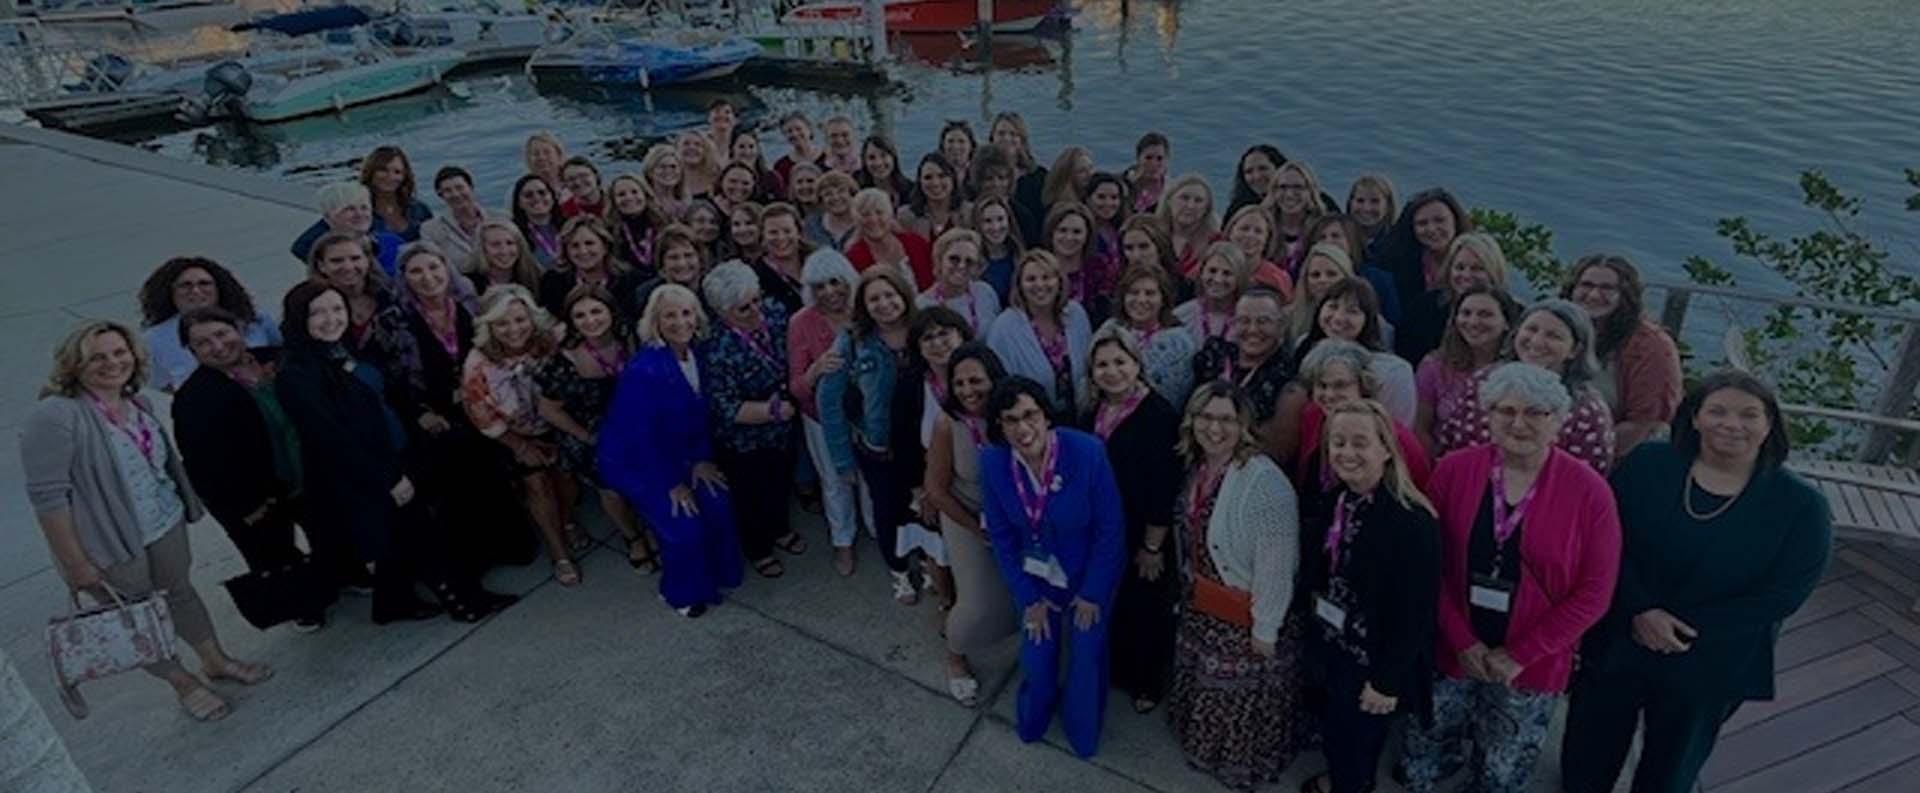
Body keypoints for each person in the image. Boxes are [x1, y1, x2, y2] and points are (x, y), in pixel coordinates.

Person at [1560, 371, 1831, 793]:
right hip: (1619, 636)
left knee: (1669, 773)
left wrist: (1680, 629)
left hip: (1710, 657)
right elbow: (1604, 541)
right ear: (1695, 418)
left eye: (1748, 414)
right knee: (1586, 758)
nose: (1731, 423)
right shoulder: (1649, 464)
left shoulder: (1802, 505)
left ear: (1769, 425)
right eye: (1717, 411)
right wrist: (1641, 611)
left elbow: (1784, 594)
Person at [22, 321, 274, 722]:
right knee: (134, 615)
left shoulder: (137, 403)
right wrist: (75, 563)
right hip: (107, 541)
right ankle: (183, 683)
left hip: (162, 520)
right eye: (98, 357)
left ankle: (215, 661)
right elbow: (48, 498)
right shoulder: (56, 416)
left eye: (120, 353)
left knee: (180, 592)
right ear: (75, 363)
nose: (112, 363)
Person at [1399, 362, 1622, 793]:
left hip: (1534, 660)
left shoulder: (1591, 491)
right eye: (1504, 410)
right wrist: (1462, 640)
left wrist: (1521, 654)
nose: (1517, 422)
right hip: (1453, 646)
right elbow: (1426, 566)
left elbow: (1595, 593)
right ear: (1488, 416)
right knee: (1426, 748)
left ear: (1558, 420)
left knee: (1501, 770)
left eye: (1535, 413)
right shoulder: (1453, 470)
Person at [274, 282, 457, 625]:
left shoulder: (343, 351)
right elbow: (333, 438)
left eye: (337, 309)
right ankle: (399, 605)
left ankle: (399, 601)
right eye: (318, 313)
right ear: (300, 318)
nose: (331, 319)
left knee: (402, 531)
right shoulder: (297, 374)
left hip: (391, 451)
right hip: (361, 472)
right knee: (384, 537)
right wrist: (388, 477)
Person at [1163, 381, 1306, 788]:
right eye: (1206, 417)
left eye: (1227, 419)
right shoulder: (1200, 464)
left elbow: (1278, 565)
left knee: (1238, 697)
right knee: (1208, 686)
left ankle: (1239, 765)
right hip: (1204, 603)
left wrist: (1266, 626)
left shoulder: (1264, 483)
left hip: (1245, 613)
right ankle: (1202, 746)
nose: (1214, 428)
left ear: (1244, 426)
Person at [1297, 400, 1442, 793]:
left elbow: (1416, 615)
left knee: (1352, 742)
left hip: (1372, 660)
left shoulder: (1412, 520)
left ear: (1385, 449)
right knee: (1342, 735)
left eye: (1360, 443)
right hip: (1334, 645)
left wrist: (1386, 682)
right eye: (1337, 443)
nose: (1346, 453)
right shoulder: (1338, 499)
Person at [979, 376, 1126, 758]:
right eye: (1010, 419)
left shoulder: (1088, 452)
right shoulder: (993, 463)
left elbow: (1110, 531)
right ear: (999, 426)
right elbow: (1002, 537)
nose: (1023, 428)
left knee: (1086, 653)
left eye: (1030, 415)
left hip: (1088, 576)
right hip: (1035, 581)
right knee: (1038, 655)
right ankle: (1035, 718)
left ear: (1046, 416)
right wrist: (1028, 598)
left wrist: (1092, 593)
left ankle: (1082, 732)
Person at [383, 243, 538, 577]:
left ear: (446, 269)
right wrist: (420, 412)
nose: (428, 278)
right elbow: (395, 378)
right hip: (435, 414)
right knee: (457, 483)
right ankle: (475, 553)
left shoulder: (470, 304)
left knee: (493, 474)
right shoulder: (396, 319)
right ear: (405, 279)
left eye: (434, 267)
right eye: (417, 272)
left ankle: (510, 544)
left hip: (482, 401)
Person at [171, 308, 329, 632]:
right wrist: (245, 508)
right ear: (192, 352)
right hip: (257, 495)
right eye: (202, 343)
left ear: (239, 330)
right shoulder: (194, 398)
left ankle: (338, 577)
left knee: (326, 531)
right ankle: (304, 606)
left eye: (221, 334)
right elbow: (202, 465)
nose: (217, 346)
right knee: (276, 554)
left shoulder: (277, 359)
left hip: (308, 470)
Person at [599, 284, 745, 618]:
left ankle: (719, 574)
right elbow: (639, 437)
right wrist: (672, 483)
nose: (680, 322)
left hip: (686, 453)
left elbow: (701, 418)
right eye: (670, 315)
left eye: (686, 313)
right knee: (684, 522)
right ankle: (680, 593)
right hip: (641, 463)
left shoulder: (698, 354)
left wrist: (701, 460)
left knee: (718, 502)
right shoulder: (643, 370)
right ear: (655, 321)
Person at [1078, 327, 1181, 715]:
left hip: (1143, 531)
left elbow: (1164, 486)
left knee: (1145, 609)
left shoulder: (1159, 415)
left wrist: (1152, 546)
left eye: (1120, 362)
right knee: (1114, 602)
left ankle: (1146, 683)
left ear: (1137, 364)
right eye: (1102, 364)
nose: (1112, 371)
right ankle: (1118, 670)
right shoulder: (1093, 410)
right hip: (1103, 530)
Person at [461, 285, 580, 586]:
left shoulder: (547, 340)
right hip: (513, 434)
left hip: (558, 423)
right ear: (489, 326)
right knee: (537, 484)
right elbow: (481, 415)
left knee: (567, 479)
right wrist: (518, 445)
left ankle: (567, 522)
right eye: (502, 323)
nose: (514, 330)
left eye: (520, 319)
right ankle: (559, 552)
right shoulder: (477, 363)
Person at [536, 286, 659, 572]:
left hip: (637, 424)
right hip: (593, 431)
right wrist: (588, 437)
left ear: (610, 312)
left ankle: (654, 528)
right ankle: (633, 537)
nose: (590, 320)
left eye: (596, 311)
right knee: (612, 490)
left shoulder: (630, 338)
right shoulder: (566, 359)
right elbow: (548, 409)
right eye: (580, 315)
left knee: (651, 477)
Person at [818, 267, 923, 598]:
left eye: (890, 295)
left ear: (904, 296)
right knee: (887, 510)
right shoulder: (852, 340)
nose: (884, 304)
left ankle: (930, 560)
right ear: (863, 304)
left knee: (923, 506)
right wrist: (842, 459)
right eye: (874, 298)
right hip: (880, 449)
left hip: (923, 445)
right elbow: (829, 402)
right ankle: (899, 570)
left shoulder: (924, 330)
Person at [924, 342, 1017, 706]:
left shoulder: (1011, 414)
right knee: (977, 603)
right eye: (959, 384)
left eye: (976, 381)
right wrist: (978, 529)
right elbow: (936, 489)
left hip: (1014, 519)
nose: (967, 391)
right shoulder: (948, 424)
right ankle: (956, 652)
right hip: (964, 516)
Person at [700, 260, 804, 577]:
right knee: (750, 495)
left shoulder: (774, 311)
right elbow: (724, 406)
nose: (757, 310)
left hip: (782, 428)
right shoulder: (716, 347)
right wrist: (772, 411)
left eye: (757, 299)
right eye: (744, 308)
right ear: (722, 312)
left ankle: (780, 528)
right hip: (744, 439)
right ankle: (758, 548)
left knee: (780, 481)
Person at [1435, 299, 1617, 472]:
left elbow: (1587, 480)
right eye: (1531, 329)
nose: (1536, 341)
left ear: (1574, 350)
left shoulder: (1588, 410)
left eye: (1553, 336)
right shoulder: (1484, 382)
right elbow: (1450, 443)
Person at [1283, 340, 1434, 528]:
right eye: (1322, 385)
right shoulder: (1312, 417)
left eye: (1340, 386)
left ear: (1362, 386)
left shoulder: (1395, 437)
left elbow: (1418, 496)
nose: (1329, 395)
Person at [1563, 254, 1683, 459]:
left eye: (1607, 288)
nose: (1593, 295)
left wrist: (1584, 457)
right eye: (1586, 285)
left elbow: (1645, 424)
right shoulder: (1561, 331)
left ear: (1626, 295)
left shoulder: (1649, 345)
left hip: (1612, 457)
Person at [137, 256, 280, 392]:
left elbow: (280, 352)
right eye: (185, 285)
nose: (196, 290)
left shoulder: (254, 318)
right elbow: (161, 384)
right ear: (169, 291)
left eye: (204, 283)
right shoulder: (153, 339)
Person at [1292, 277, 1418, 425]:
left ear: (1368, 320)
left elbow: (1398, 429)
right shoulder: (1303, 347)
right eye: (1333, 306)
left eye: (1352, 311)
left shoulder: (1393, 372)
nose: (1338, 318)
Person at [1415, 286, 1521, 456]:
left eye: (1485, 314)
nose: (1473, 322)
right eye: (1466, 313)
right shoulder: (1435, 366)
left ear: (1507, 322)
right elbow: (1420, 428)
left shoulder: (1519, 371)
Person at [987, 250, 1093, 412]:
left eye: (1046, 277)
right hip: (1030, 419)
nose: (1039, 285)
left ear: (1059, 282)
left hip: (1081, 411)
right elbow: (999, 384)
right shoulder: (1003, 327)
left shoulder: (1076, 314)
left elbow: (1090, 364)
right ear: (1020, 285)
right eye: (1031, 279)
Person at [1190, 287, 1296, 435]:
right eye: (1244, 321)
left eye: (1263, 321)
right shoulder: (1213, 356)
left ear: (1281, 326)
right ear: (1233, 323)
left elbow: (1277, 451)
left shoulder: (1287, 378)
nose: (1252, 329)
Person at [1395, 231, 1510, 364]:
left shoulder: (1514, 311)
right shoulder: (1423, 309)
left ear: (1493, 271)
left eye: (1477, 269)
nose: (1466, 275)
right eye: (1459, 268)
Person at [1105, 263, 1198, 405]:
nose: (1141, 300)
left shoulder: (1179, 343)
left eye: (1150, 293)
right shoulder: (1109, 329)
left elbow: (1174, 396)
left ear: (1163, 299)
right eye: (1134, 293)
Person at [1374, 188, 1471, 317]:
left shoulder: (1476, 260)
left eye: (1439, 220)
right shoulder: (1399, 266)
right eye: (1422, 223)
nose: (1431, 229)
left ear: (1455, 220)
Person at [538, 216, 641, 319]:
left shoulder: (631, 281)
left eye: (589, 243)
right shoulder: (553, 282)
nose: (583, 251)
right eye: (575, 246)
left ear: (605, 246)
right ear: (566, 251)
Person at [291, 181, 402, 272]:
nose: (359, 214)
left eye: (364, 208)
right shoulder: (329, 256)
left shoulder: (392, 242)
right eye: (349, 209)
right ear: (328, 217)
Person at [1043, 201, 1117, 325]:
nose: (1069, 237)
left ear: (1088, 235)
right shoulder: (1039, 267)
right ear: (1051, 233)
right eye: (1062, 230)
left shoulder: (1100, 267)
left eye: (1077, 232)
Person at [846, 187, 934, 290]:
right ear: (857, 220)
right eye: (865, 215)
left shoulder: (916, 243)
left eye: (879, 212)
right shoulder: (853, 257)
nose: (873, 220)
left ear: (890, 215)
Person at [918, 227, 1000, 333]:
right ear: (939, 260)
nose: (961, 266)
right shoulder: (922, 305)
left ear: (977, 267)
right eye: (954, 259)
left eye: (969, 261)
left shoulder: (985, 292)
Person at [1175, 242, 1255, 346]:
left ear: (1239, 278)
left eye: (1227, 273)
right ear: (1201, 273)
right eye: (1212, 271)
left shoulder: (1250, 318)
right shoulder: (1182, 316)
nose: (1218, 279)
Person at [989, 112, 1048, 242]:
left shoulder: (1038, 176)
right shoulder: (983, 175)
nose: (1007, 138)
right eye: (1001, 133)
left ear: (1022, 140)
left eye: (1013, 134)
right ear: (992, 138)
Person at [1260, 160, 1329, 269]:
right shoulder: (1262, 228)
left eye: (1298, 187)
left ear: (1310, 192)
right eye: (1283, 187)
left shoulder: (1323, 229)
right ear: (1274, 191)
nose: (1289, 194)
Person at [420, 166, 494, 266]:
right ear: (441, 195)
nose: (455, 194)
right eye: (447, 190)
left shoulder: (499, 218)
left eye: (460, 187)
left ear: (471, 187)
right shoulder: (430, 230)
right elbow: (436, 265)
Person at [1221, 204, 1297, 295]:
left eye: (1258, 231)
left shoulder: (1278, 278)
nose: (1250, 235)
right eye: (1244, 228)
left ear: (1267, 239)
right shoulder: (1210, 268)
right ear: (1230, 232)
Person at [361, 145, 432, 241]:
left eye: (397, 172)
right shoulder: (360, 211)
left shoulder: (419, 209)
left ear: (404, 176)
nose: (390, 176)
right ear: (371, 172)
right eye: (383, 170)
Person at [753, 202, 813, 315]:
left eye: (787, 231)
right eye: (773, 232)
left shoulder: (819, 262)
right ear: (763, 235)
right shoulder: (755, 277)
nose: (781, 237)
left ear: (799, 232)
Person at [898, 153, 970, 243]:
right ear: (920, 182)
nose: (935, 183)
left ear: (952, 179)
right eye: (928, 177)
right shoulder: (905, 217)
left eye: (942, 176)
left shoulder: (970, 213)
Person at [1157, 174, 1219, 274]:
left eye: (1198, 201)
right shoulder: (1152, 236)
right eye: (1184, 198)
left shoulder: (1216, 243)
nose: (1190, 206)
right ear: (1169, 201)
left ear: (1206, 209)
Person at [466, 219, 545, 293]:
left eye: (510, 243)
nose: (504, 251)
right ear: (482, 249)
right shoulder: (469, 285)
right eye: (495, 244)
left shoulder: (535, 279)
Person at [603, 173, 659, 278]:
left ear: (645, 194)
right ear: (613, 201)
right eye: (621, 194)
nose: (629, 197)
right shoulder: (608, 231)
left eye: (634, 192)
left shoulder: (662, 224)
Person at [973, 195, 1026, 303]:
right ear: (978, 225)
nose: (996, 227)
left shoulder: (1021, 257)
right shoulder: (972, 261)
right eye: (988, 221)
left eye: (1000, 219)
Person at [509, 174, 564, 270]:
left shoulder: (569, 225)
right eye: (528, 195)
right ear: (519, 203)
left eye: (542, 193)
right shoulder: (513, 234)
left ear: (552, 197)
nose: (537, 198)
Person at [806, 170, 862, 252]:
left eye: (841, 191)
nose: (835, 197)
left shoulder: (863, 223)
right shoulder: (813, 226)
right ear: (821, 200)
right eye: (828, 194)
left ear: (851, 194)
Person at [1225, 144, 1286, 216]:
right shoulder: (1237, 210)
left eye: (1263, 168)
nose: (1257, 176)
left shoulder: (1295, 204)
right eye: (1249, 172)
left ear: (1279, 169)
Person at [855, 134, 913, 205]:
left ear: (893, 158)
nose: (878, 163)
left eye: (883, 155)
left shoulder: (910, 190)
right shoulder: (856, 184)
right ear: (864, 161)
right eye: (871, 157)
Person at [1346, 174, 1398, 251]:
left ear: (1388, 206)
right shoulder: (1337, 237)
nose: (1367, 208)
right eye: (1360, 201)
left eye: (1375, 201)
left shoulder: (1398, 242)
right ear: (1350, 203)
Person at [642, 144, 691, 223]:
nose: (668, 171)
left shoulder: (688, 204)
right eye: (662, 167)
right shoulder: (643, 204)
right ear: (650, 172)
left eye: (673, 166)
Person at [1125, 132, 1169, 213]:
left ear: (1166, 160)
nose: (1154, 164)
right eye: (1148, 158)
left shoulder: (1170, 189)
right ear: (1138, 159)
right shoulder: (1121, 184)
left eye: (1159, 158)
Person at [773, 111, 823, 183]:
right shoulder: (781, 166)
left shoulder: (828, 158)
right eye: (789, 131)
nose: (795, 134)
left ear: (809, 129)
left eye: (798, 129)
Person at [938, 119, 978, 195]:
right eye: (950, 141)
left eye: (961, 141)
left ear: (971, 146)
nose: (956, 146)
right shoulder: (935, 173)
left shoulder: (979, 172)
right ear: (943, 145)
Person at [678, 132, 721, 198]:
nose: (691, 147)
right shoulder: (672, 179)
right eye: (686, 144)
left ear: (705, 151)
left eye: (697, 144)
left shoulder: (717, 178)